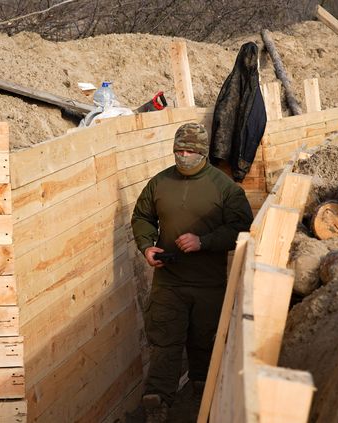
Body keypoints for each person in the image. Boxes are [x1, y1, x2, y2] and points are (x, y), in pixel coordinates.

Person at [131, 122, 254, 422]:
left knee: (205, 341)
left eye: (190, 151)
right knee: (164, 341)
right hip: (168, 282)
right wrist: (147, 246)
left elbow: (242, 227)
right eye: (178, 150)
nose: (183, 156)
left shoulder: (225, 189)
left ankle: (204, 394)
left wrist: (204, 242)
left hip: (208, 284)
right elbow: (142, 217)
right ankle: (157, 401)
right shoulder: (158, 184)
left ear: (202, 153)